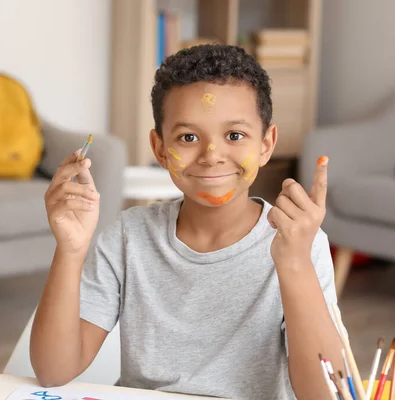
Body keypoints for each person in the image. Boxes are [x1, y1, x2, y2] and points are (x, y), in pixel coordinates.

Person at [30, 44, 345, 400]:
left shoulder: (301, 244)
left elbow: (325, 395)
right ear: (160, 148)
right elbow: (52, 371)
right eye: (188, 137)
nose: (212, 156)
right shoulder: (128, 237)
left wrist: (294, 263)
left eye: (235, 136)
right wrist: (70, 250)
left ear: (266, 143)